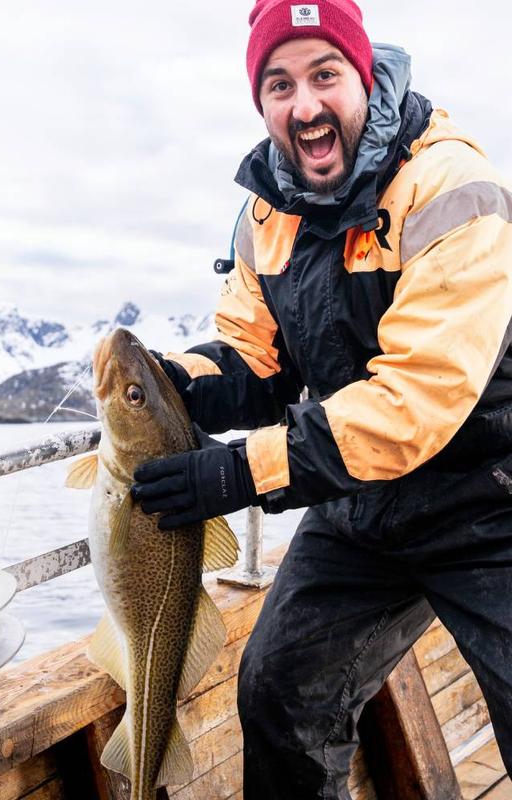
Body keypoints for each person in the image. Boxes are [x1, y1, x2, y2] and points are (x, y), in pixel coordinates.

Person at [131, 0, 512, 797]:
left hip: (488, 499)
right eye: (279, 84)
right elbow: (255, 356)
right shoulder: (265, 212)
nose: (304, 105)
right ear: (261, 102)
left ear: (364, 76)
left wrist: (238, 472)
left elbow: (418, 397)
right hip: (361, 504)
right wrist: (172, 384)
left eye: (324, 74)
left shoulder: (452, 186)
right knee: (278, 694)